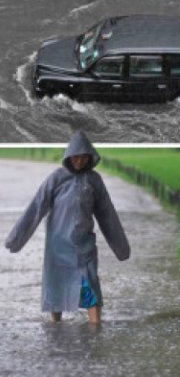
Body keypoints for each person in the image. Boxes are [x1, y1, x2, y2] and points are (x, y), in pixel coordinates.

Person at [4, 131, 130, 324]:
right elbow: (36, 207)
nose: (79, 161)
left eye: (83, 157)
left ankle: (95, 329)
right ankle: (56, 329)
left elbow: (107, 214)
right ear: (69, 157)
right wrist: (16, 239)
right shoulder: (56, 178)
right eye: (76, 157)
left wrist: (121, 248)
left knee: (90, 286)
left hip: (83, 245)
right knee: (56, 288)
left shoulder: (94, 180)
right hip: (58, 246)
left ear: (90, 157)